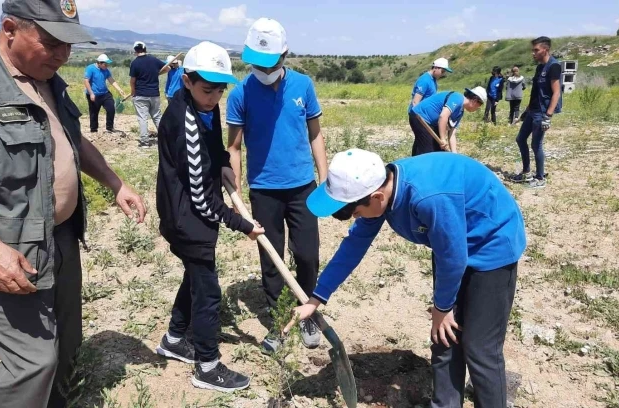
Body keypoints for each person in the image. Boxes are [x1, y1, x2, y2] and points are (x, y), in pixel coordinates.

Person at [0, 2, 147, 407]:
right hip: (6, 247)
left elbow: (69, 138)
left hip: (57, 236)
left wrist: (114, 182)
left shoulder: (47, 77)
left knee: (66, 338)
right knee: (33, 362)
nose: (62, 55)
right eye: (51, 43)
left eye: (69, 45)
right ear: (9, 29)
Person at [288, 148, 527, 408]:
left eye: (355, 213)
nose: (356, 218)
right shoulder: (379, 191)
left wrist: (442, 307)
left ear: (377, 197)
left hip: (492, 244)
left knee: (480, 348)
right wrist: (316, 299)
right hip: (451, 243)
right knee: (444, 337)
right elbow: (353, 246)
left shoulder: (427, 198)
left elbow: (454, 257)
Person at [154, 41, 264, 392]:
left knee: (195, 278)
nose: (215, 96)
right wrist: (243, 224)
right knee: (208, 292)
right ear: (186, 81)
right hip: (188, 218)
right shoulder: (183, 120)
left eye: (220, 89)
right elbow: (202, 199)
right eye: (207, 89)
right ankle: (207, 365)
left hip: (191, 213)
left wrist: (221, 163)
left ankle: (173, 339)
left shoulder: (204, 107)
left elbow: (212, 145)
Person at [226, 17, 328, 353]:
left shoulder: (303, 85)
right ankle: (278, 318)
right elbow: (235, 146)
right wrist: (236, 191)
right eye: (256, 62)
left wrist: (324, 178)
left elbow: (315, 134)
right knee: (272, 260)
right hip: (264, 189)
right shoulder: (240, 93)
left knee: (307, 254)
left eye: (269, 62)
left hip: (303, 186)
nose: (262, 68)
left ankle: (308, 313)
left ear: (285, 55)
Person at [512, 36, 563, 189]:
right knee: (520, 139)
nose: (533, 53)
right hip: (533, 110)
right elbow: (535, 93)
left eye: (536, 50)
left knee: (536, 144)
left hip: (542, 113)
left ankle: (540, 177)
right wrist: (524, 113)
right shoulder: (540, 67)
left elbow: (556, 93)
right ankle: (527, 172)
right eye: (533, 50)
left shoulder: (554, 66)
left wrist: (548, 116)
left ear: (545, 50)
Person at [409, 87, 486, 155]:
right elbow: (443, 116)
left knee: (438, 150)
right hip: (420, 117)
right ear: (475, 100)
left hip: (432, 123)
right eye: (479, 105)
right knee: (428, 152)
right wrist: (442, 138)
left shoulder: (460, 112)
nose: (478, 108)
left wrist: (454, 153)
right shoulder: (458, 98)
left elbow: (452, 133)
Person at [129, 41, 166, 148]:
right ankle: (165, 139)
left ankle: (145, 142)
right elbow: (167, 68)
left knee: (142, 118)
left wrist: (133, 91)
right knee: (157, 117)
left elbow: (132, 80)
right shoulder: (154, 60)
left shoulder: (135, 63)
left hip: (140, 94)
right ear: (145, 49)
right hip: (154, 94)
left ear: (135, 50)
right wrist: (157, 73)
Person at [83, 53, 126, 133]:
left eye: (107, 64)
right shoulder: (90, 68)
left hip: (105, 93)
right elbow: (86, 81)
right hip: (93, 94)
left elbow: (111, 80)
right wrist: (91, 93)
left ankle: (110, 127)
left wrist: (119, 90)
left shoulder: (106, 70)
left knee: (111, 108)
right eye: (105, 64)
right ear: (99, 63)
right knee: (94, 113)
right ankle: (94, 130)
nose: (106, 66)